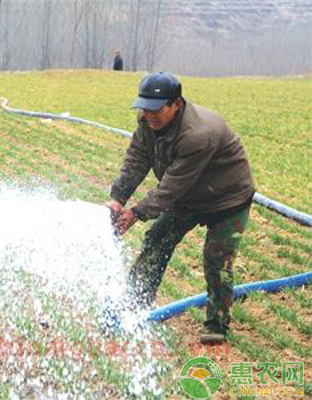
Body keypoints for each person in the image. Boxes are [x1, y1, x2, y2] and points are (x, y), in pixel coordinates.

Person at [107, 71, 255, 343]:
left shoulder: (198, 134)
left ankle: (217, 326)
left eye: (156, 109)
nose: (149, 114)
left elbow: (173, 185)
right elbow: (136, 160)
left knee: (216, 258)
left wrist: (137, 213)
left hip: (227, 199)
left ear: (176, 104)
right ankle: (134, 306)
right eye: (144, 107)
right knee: (157, 239)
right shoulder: (146, 124)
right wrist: (118, 197)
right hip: (189, 198)